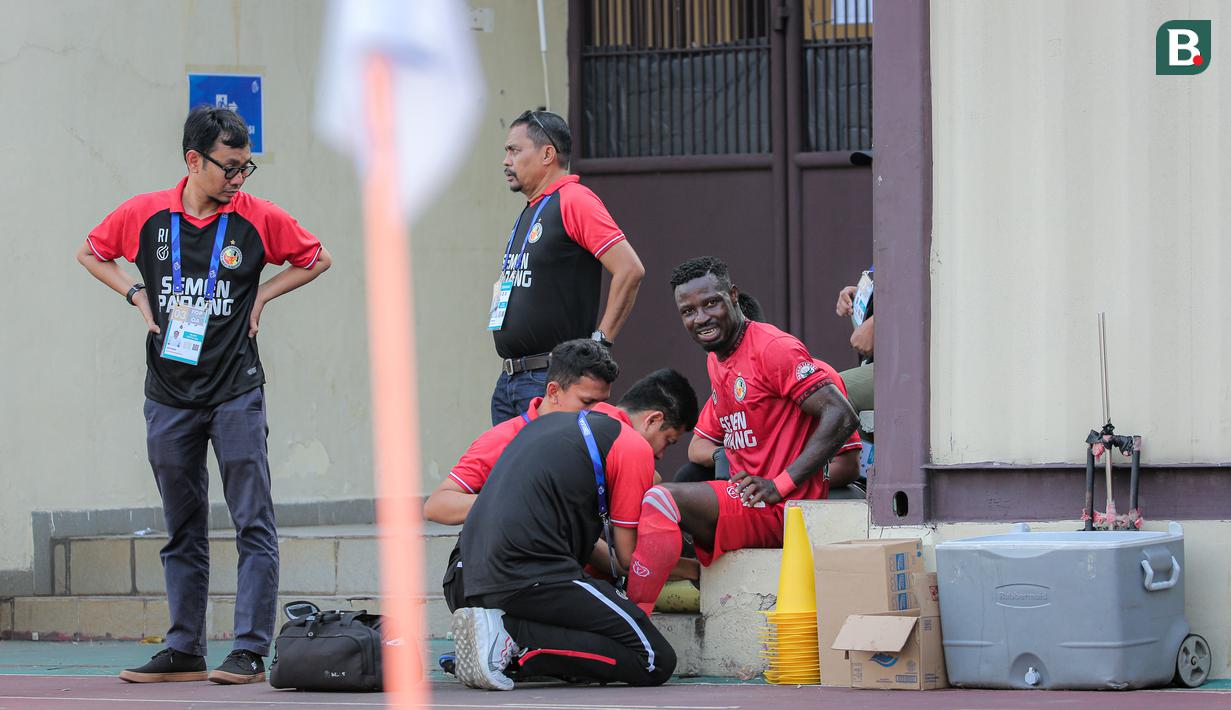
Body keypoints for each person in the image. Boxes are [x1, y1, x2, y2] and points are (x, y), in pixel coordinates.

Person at [76, 106, 331, 685]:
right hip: (168, 393)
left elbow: (317, 257)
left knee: (252, 521)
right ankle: (184, 648)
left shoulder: (257, 217)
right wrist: (135, 292)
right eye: (229, 167)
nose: (239, 179)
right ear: (193, 160)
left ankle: (247, 648)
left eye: (247, 167)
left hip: (236, 388)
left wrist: (262, 297)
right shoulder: (145, 215)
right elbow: (90, 251)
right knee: (182, 524)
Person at [621, 257, 859, 614]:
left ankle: (635, 618)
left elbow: (841, 414)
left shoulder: (773, 348)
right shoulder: (716, 358)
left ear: (732, 296)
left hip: (781, 508)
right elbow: (702, 445)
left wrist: (781, 482)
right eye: (688, 311)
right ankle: (646, 605)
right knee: (653, 497)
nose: (700, 318)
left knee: (661, 499)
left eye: (710, 303)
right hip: (746, 499)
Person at [448, 369, 699, 690]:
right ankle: (509, 634)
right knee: (654, 660)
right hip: (529, 571)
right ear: (652, 420)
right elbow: (628, 558)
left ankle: (504, 648)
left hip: (477, 573)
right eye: (668, 441)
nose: (661, 455)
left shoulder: (549, 423)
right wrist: (692, 568)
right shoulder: (630, 445)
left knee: (594, 627)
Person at [489, 109, 645, 425]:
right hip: (512, 380)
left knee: (544, 474)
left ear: (548, 154)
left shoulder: (574, 199)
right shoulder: (533, 208)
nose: (506, 161)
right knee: (510, 474)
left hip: (550, 380)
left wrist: (599, 344)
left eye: (514, 150)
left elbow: (630, 269)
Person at [672, 293, 862, 485]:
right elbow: (696, 447)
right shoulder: (728, 377)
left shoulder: (816, 376)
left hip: (796, 489)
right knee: (688, 477)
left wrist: (779, 482)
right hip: (748, 487)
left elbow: (848, 466)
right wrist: (723, 455)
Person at [835, 268, 874, 414]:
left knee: (828, 394)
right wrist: (863, 295)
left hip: (907, 365)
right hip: (875, 361)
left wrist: (879, 319)